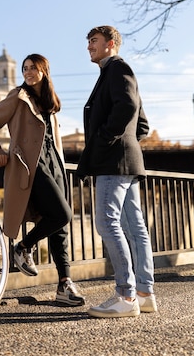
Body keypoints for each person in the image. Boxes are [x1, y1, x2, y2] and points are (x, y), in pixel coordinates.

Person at [0, 53, 85, 306]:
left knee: (59, 227)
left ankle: (64, 284)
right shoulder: (17, 97)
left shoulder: (50, 102)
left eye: (32, 68)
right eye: (25, 68)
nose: (27, 72)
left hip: (55, 164)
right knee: (63, 214)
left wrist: (60, 164)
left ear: (44, 71)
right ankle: (23, 247)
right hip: (32, 165)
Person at [76, 25, 157, 317]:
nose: (89, 46)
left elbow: (127, 106)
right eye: (88, 42)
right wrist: (124, 143)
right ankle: (144, 293)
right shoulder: (114, 72)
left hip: (113, 162)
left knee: (106, 223)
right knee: (135, 228)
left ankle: (126, 296)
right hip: (126, 161)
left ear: (111, 43)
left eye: (94, 41)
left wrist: (105, 139)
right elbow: (142, 124)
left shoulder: (117, 69)